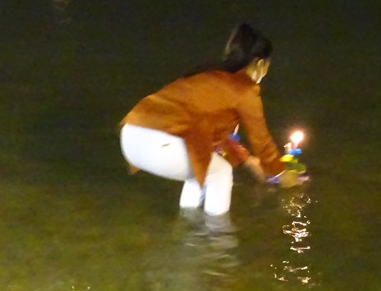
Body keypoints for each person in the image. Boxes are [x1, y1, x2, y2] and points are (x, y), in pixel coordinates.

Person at [119, 23, 298, 216]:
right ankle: (215, 239)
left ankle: (189, 226)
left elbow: (209, 132)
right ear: (261, 63)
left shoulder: (208, 76)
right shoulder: (244, 89)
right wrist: (282, 174)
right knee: (221, 174)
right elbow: (261, 140)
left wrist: (247, 161)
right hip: (158, 145)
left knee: (203, 164)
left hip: (131, 135)